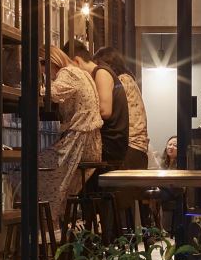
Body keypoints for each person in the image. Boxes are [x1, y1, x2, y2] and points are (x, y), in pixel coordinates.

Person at [38, 47, 102, 221]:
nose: (43, 71)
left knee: (32, 168)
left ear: (52, 61)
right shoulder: (82, 73)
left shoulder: (68, 73)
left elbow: (52, 93)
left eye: (43, 65)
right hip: (92, 143)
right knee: (44, 167)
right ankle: (55, 220)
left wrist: (34, 86)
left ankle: (46, 220)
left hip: (80, 141)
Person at [65, 40, 129, 169]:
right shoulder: (98, 73)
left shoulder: (101, 73)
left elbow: (105, 111)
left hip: (109, 145)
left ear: (76, 61)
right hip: (108, 144)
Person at [94, 47, 149, 172]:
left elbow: (107, 111)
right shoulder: (129, 79)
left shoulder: (121, 81)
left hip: (129, 147)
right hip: (138, 149)